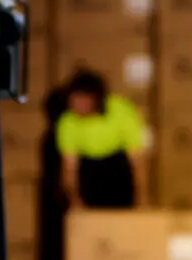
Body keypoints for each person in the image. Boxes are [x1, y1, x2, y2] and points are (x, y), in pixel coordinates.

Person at [54, 69, 147, 209]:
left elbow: (136, 159)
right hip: (88, 171)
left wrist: (142, 197)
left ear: (97, 98)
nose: (78, 106)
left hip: (118, 169)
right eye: (74, 101)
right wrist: (74, 200)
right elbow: (69, 167)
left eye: (83, 100)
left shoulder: (121, 110)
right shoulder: (67, 122)